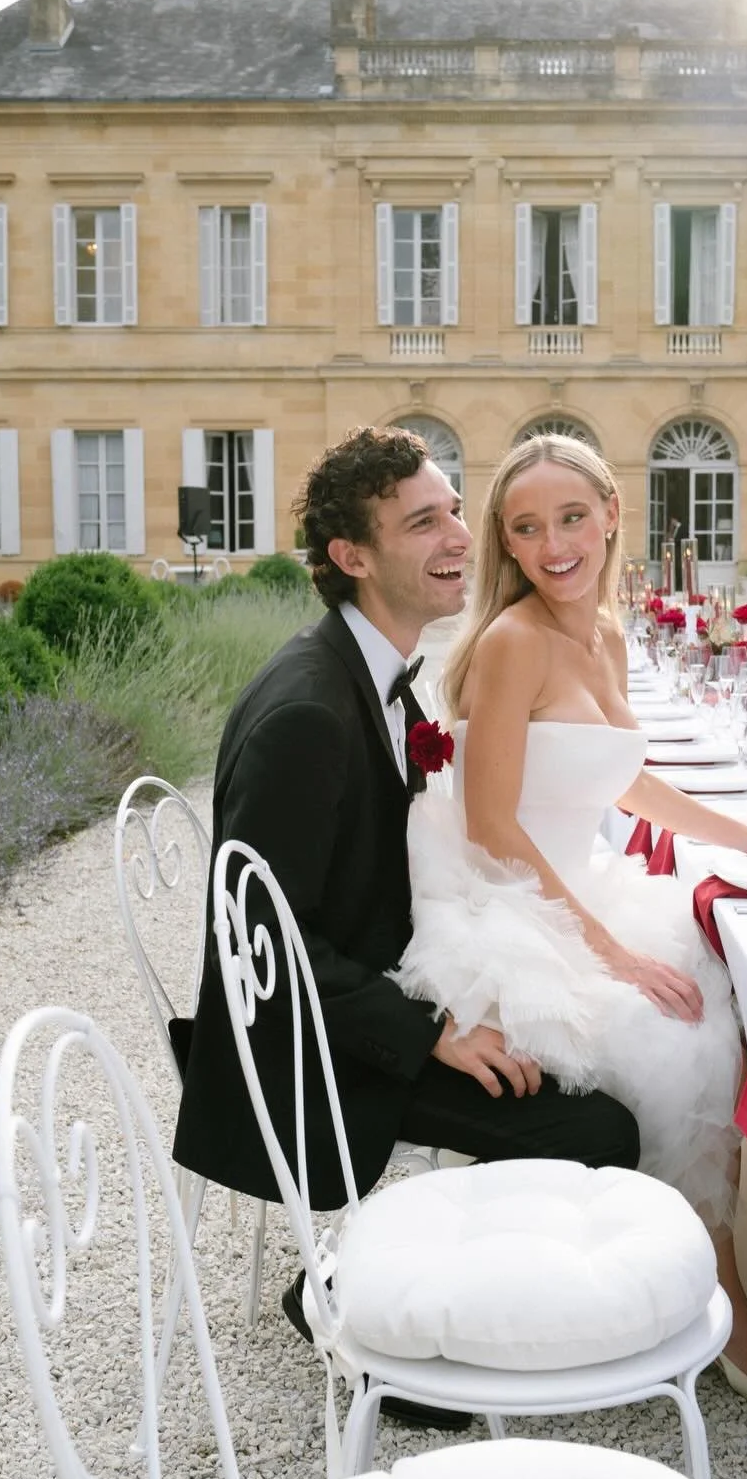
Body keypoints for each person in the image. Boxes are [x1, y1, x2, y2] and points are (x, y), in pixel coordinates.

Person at [174, 427, 642, 1375]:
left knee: (592, 1046)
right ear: (353, 557)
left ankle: (481, 1296)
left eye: (456, 512)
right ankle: (365, 1306)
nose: (461, 538)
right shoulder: (308, 712)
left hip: (382, 979)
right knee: (598, 1124)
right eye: (425, 523)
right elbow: (261, 940)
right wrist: (435, 1029)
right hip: (317, 1049)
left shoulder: (380, 675)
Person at [394, 433, 747, 1397]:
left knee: (723, 999)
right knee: (672, 1033)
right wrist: (612, 954)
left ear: (611, 518)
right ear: (506, 546)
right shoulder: (512, 644)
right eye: (525, 528)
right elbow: (495, 826)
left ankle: (710, 1276)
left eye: (571, 518)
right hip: (508, 899)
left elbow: (627, 781)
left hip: (576, 882)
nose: (553, 544)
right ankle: (721, 1308)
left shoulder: (604, 634)